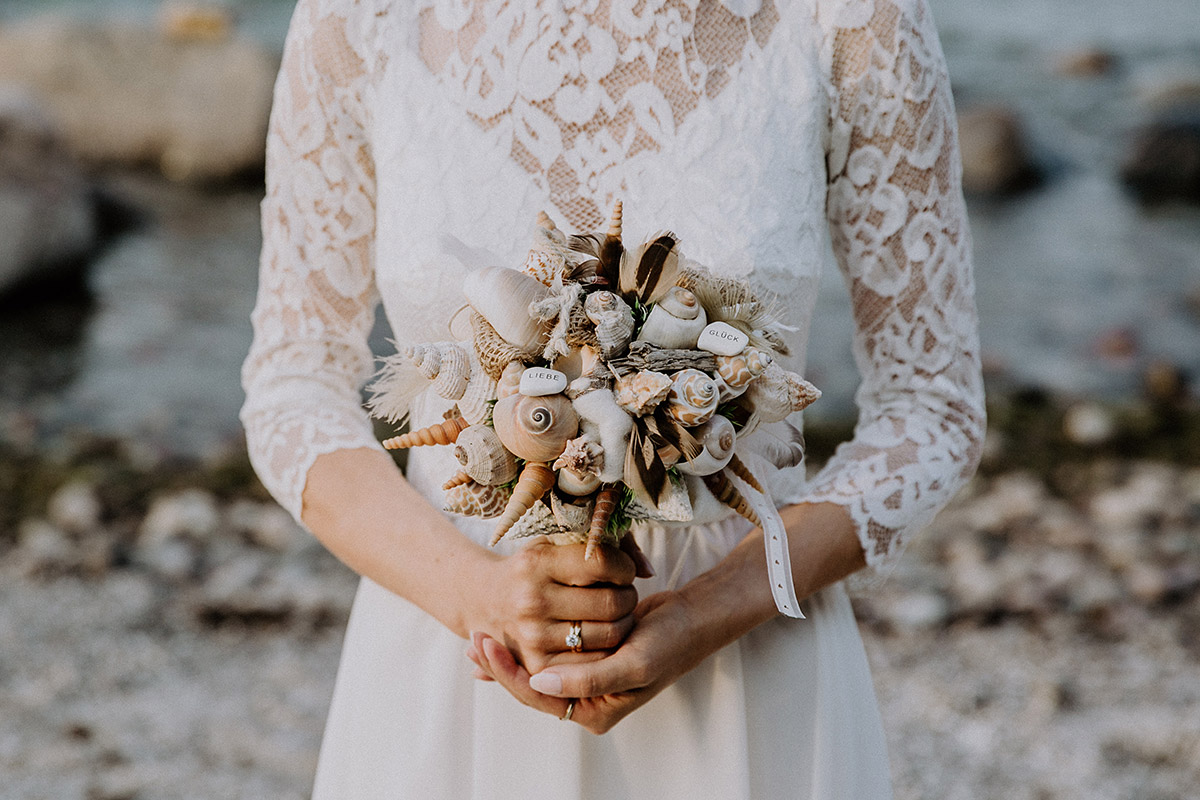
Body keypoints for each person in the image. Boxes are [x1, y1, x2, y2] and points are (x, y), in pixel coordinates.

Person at [240, 0, 985, 797]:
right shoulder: (357, 18)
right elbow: (293, 386)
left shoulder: (851, 16)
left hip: (748, 662)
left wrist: (713, 607)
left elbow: (933, 407)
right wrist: (476, 594)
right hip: (455, 664)